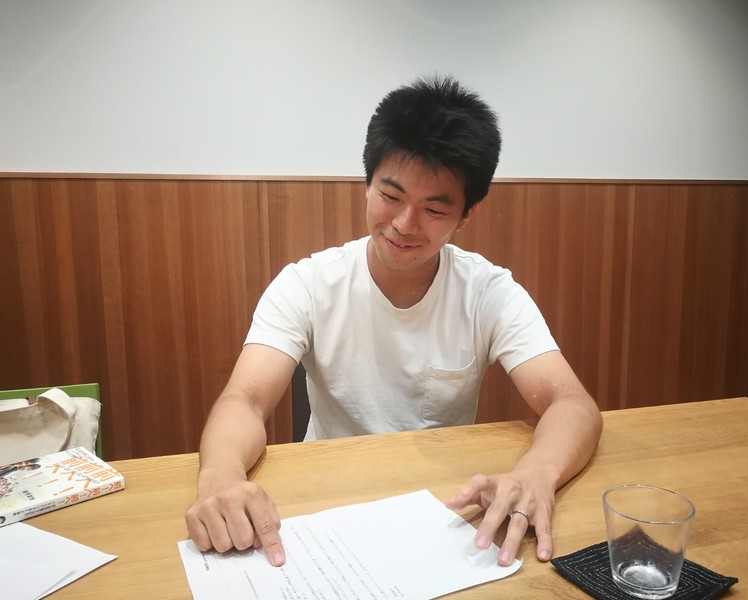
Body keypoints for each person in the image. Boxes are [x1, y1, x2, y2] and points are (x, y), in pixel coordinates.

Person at [185, 75, 602, 568]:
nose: (404, 224)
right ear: (367, 185)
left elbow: (571, 402)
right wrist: (221, 476)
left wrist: (537, 473)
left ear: (466, 215)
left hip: (444, 511)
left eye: (434, 208)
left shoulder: (487, 291)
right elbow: (246, 399)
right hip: (324, 508)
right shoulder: (309, 283)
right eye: (391, 195)